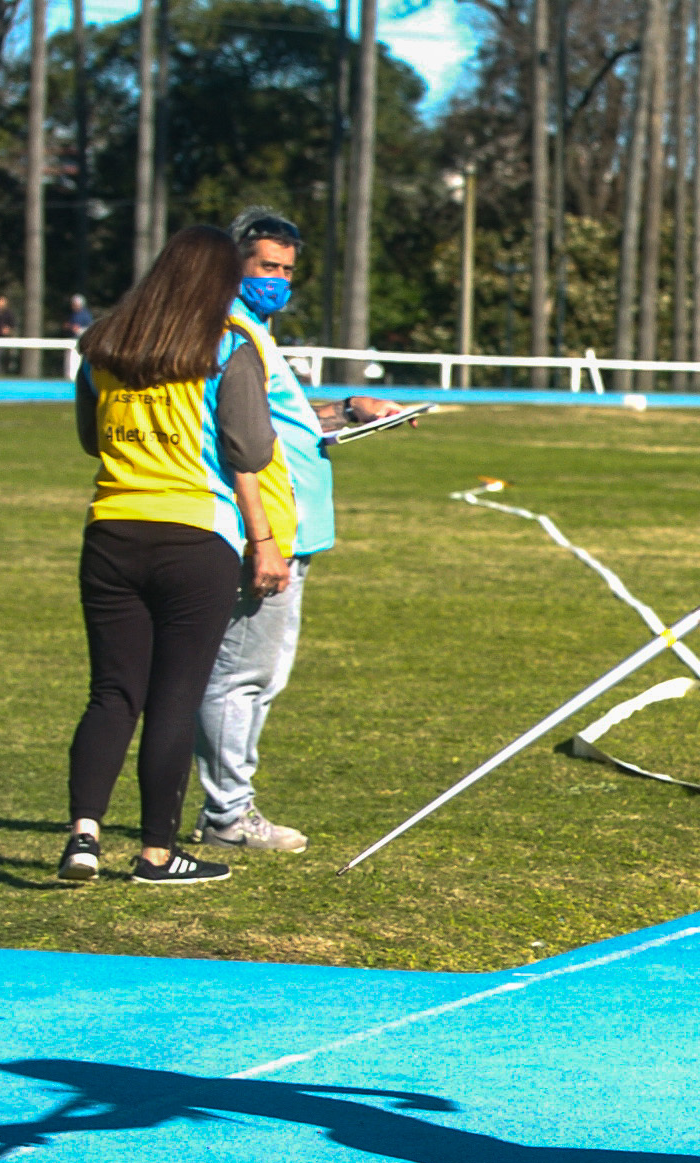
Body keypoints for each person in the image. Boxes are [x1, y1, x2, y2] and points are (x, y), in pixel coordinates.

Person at [58, 226, 297, 886]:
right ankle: (157, 854)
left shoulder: (103, 343)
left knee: (111, 694)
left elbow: (89, 437)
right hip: (195, 536)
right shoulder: (226, 346)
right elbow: (249, 450)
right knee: (173, 700)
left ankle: (83, 835)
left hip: (110, 531)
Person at [190, 209, 407, 852]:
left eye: (287, 269)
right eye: (266, 267)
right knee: (240, 675)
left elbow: (279, 422)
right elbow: (235, 435)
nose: (278, 280)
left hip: (297, 526)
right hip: (268, 529)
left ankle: (229, 806)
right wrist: (262, 538)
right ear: (234, 265)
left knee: (264, 675)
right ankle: (228, 812)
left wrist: (344, 411)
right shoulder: (228, 334)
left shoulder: (257, 331)